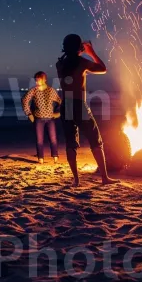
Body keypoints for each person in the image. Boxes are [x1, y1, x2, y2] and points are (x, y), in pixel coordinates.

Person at [56, 34, 120, 187]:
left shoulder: (60, 64)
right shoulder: (82, 62)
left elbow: (69, 60)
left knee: (71, 143)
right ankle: (104, 178)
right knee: (95, 140)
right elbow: (103, 68)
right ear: (79, 48)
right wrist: (91, 52)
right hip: (79, 104)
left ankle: (76, 180)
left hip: (66, 104)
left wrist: (78, 51)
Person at [21, 71, 62, 164]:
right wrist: (29, 114)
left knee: (53, 138)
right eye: (35, 80)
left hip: (50, 119)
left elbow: (60, 102)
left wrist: (58, 113)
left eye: (38, 80)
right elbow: (24, 100)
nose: (36, 82)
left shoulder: (51, 90)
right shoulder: (34, 90)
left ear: (44, 80)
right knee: (39, 139)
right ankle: (40, 158)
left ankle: (55, 156)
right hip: (38, 118)